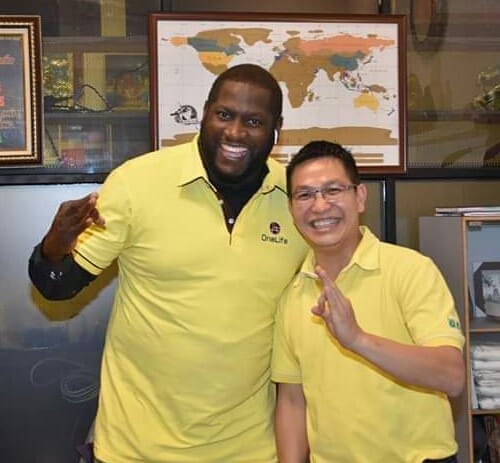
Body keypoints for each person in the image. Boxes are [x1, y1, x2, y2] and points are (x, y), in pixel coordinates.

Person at [28, 63, 308, 463]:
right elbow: (57, 285)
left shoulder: (296, 198)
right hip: (135, 449)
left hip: (251, 449)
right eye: (224, 115)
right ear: (205, 113)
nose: (234, 132)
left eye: (254, 121)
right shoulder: (138, 182)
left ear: (276, 129)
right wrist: (53, 250)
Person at [271, 140, 465, 463]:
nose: (319, 206)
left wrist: (358, 340)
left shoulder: (410, 270)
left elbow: (451, 376)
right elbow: (292, 401)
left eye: (333, 190)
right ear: (291, 210)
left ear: (360, 197)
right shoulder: (292, 296)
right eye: (304, 195)